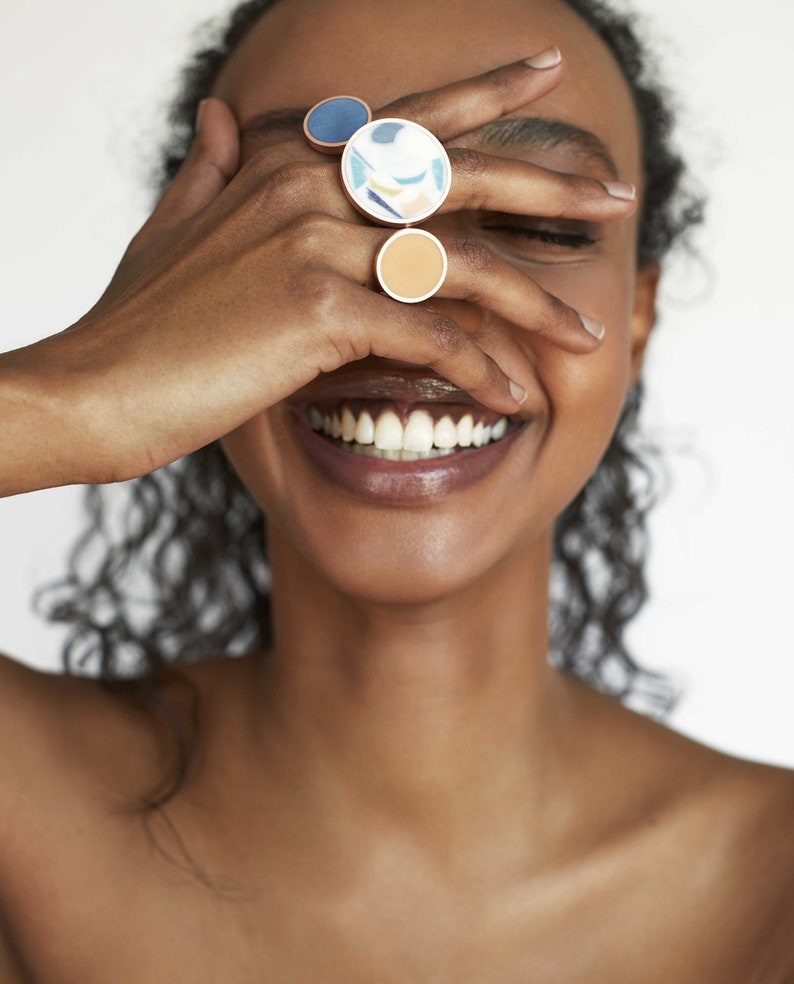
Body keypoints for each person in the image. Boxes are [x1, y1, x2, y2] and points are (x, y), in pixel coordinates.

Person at [0, 0, 792, 979]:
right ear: (186, 299)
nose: (414, 300)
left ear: (636, 316)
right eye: (309, 214)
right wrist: (78, 400)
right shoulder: (20, 817)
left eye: (527, 220)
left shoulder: (771, 891)